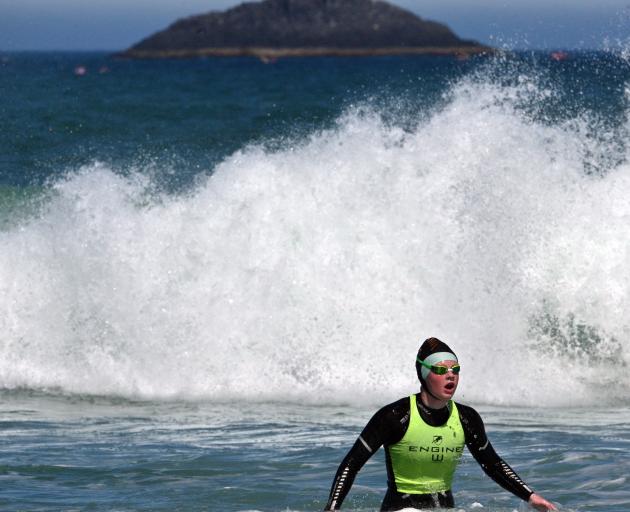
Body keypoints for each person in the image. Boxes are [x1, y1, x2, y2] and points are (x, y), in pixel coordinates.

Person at [324, 337, 557, 511]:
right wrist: (332, 508)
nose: (450, 375)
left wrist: (531, 497)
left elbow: (493, 465)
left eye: (455, 370)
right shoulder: (395, 416)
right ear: (424, 374)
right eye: (440, 370)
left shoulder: (466, 418)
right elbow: (351, 464)